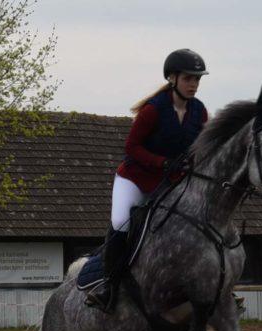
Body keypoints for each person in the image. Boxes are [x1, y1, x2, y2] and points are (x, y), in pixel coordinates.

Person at [85, 49, 210, 312]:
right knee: (121, 222)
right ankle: (108, 285)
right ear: (173, 78)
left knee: (196, 223)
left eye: (197, 79)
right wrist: (161, 162)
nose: (194, 84)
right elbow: (131, 147)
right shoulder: (153, 110)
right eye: (188, 78)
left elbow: (202, 148)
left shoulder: (199, 112)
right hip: (135, 179)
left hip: (170, 183)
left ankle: (213, 286)